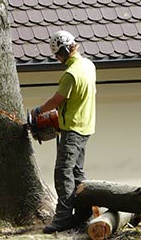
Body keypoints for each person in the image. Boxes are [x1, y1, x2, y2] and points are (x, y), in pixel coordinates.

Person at [31, 30, 96, 234]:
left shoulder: (70, 74)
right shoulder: (88, 65)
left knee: (63, 172)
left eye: (58, 54)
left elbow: (56, 101)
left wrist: (38, 111)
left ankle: (64, 217)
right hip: (86, 125)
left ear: (67, 49)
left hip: (73, 129)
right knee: (77, 172)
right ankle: (84, 212)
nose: (58, 58)